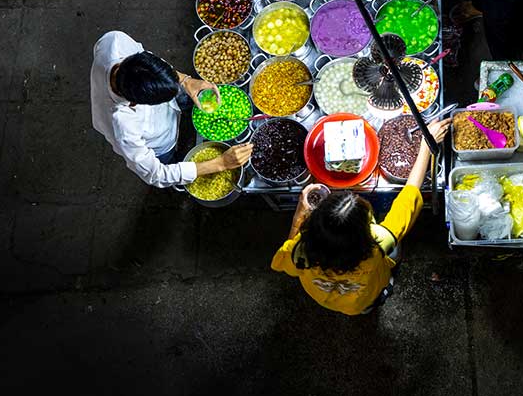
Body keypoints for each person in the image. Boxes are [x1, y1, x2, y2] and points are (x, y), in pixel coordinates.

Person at [271, 118, 451, 316]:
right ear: (366, 231)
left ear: (314, 224)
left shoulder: (301, 251)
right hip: (364, 298)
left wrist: (299, 215)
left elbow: (281, 262)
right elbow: (410, 195)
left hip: (323, 298)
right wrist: (426, 144)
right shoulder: (380, 242)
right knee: (392, 254)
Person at [90, 30, 250, 188]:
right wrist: (221, 163)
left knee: (182, 100)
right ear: (135, 103)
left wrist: (185, 81)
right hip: (161, 143)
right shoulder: (123, 127)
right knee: (170, 159)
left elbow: (149, 58)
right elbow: (156, 174)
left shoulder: (115, 41)